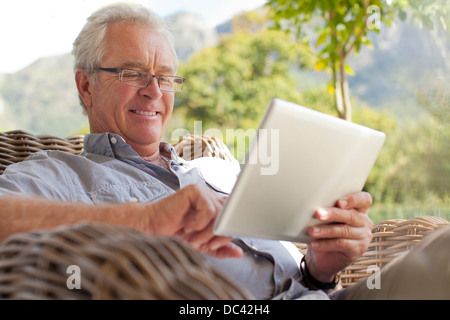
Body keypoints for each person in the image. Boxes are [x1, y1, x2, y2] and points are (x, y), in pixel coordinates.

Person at [0, 3, 448, 300]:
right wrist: (142, 221)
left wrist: (320, 267)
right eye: (132, 72)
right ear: (86, 85)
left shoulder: (216, 167)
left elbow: (303, 280)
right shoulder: (60, 174)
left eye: (167, 77)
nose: (155, 91)